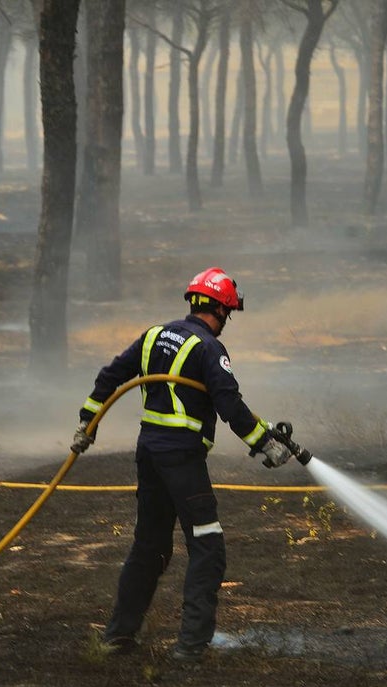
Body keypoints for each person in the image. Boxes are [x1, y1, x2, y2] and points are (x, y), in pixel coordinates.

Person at [71, 266, 293, 662]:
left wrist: (87, 423)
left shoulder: (154, 335)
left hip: (149, 455)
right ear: (222, 309)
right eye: (229, 312)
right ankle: (191, 646)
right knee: (208, 546)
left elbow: (111, 376)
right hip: (182, 460)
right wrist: (264, 444)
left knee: (150, 546)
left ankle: (118, 637)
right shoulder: (209, 348)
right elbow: (229, 404)